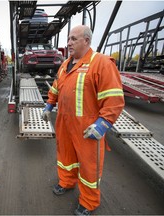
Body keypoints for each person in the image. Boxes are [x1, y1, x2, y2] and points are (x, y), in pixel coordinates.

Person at [42, 25, 124, 215]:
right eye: (68, 39)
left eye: (73, 39)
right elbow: (56, 87)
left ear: (86, 41)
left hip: (88, 127)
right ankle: (67, 182)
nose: (68, 43)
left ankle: (88, 202)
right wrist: (49, 104)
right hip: (64, 122)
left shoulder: (101, 63)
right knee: (65, 157)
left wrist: (103, 124)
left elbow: (114, 99)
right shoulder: (65, 64)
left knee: (89, 166)